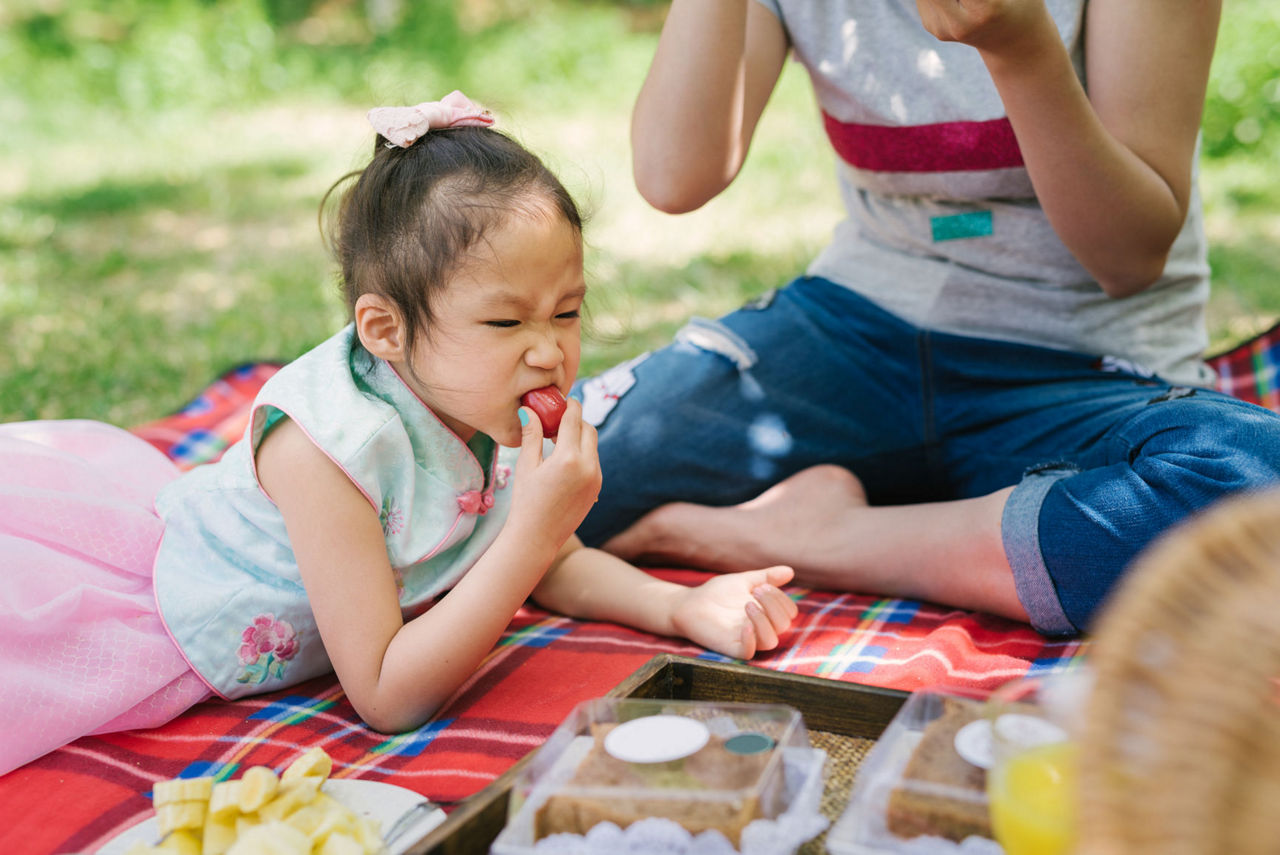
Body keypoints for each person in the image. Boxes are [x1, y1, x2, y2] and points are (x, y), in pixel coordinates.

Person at [0, 92, 798, 776]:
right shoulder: (326, 448)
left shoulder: (488, 405)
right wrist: (533, 532)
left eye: (567, 311)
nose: (550, 350)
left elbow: (553, 566)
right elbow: (385, 696)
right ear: (384, 329)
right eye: (504, 319)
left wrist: (679, 606)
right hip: (166, 621)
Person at [573, 1, 1280, 637]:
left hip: (1083, 361)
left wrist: (1022, 50)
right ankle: (987, 532)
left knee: (1258, 495)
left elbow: (1129, 257)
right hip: (855, 328)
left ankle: (818, 535)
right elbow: (674, 176)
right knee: (520, 468)